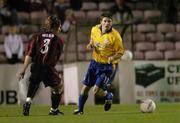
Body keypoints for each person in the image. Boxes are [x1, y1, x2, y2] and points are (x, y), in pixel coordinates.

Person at [74, 12, 125, 115]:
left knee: (96, 90)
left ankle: (108, 96)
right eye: (105, 21)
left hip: (106, 67)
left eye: (109, 21)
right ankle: (80, 110)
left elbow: (120, 52)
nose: (107, 23)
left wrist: (113, 57)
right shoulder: (94, 29)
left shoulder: (115, 36)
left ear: (112, 23)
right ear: (101, 22)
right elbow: (92, 40)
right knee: (85, 89)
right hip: (94, 64)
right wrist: (90, 44)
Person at [17, 15, 64, 116]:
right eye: (60, 26)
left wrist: (23, 69)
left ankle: (28, 102)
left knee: (34, 83)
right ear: (55, 26)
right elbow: (56, 57)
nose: (60, 29)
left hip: (35, 66)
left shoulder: (36, 36)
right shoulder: (58, 40)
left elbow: (29, 54)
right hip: (48, 68)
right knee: (59, 86)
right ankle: (54, 110)